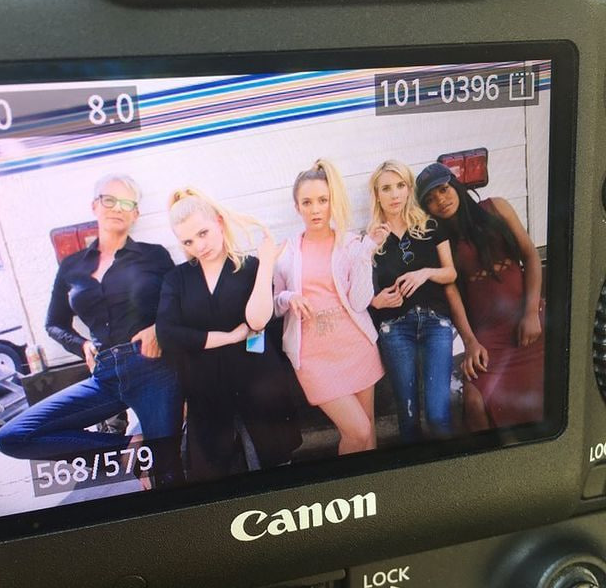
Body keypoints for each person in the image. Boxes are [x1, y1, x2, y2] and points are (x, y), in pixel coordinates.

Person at [0, 175, 184, 488]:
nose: (117, 208)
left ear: (135, 214)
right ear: (95, 206)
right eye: (109, 200)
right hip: (104, 375)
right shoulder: (72, 267)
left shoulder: (154, 255)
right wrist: (82, 345)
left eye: (127, 203)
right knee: (13, 437)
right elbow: (54, 323)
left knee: (166, 475)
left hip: (152, 369)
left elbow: (182, 299)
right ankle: (127, 452)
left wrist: (158, 328)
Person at [156, 188, 301, 482]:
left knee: (273, 469)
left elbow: (258, 321)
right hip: (207, 395)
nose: (199, 246)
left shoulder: (250, 267)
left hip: (258, 385)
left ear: (219, 222)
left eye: (203, 233)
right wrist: (230, 337)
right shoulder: (177, 279)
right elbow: (168, 335)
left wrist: (267, 264)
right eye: (188, 241)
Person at [416, 162, 544, 430]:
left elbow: (531, 256)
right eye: (430, 199)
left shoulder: (496, 207)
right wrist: (470, 342)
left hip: (526, 319)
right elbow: (452, 292)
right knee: (474, 401)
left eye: (443, 189)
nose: (440, 200)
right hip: (487, 334)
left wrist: (531, 312)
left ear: (456, 186)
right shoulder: (439, 240)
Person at [273, 158, 384, 455]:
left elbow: (360, 301)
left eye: (323, 200)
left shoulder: (350, 243)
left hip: (356, 347)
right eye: (307, 202)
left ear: (332, 202)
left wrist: (366, 253)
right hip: (313, 357)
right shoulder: (287, 251)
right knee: (357, 431)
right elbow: (275, 304)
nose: (315, 209)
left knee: (368, 429)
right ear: (297, 207)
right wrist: (289, 298)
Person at [367, 160, 457, 443]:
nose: (395, 194)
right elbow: (361, 292)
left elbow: (451, 272)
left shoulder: (429, 225)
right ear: (377, 195)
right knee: (408, 419)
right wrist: (376, 301)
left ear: (409, 189)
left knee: (438, 415)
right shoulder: (370, 239)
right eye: (386, 188)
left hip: (435, 322)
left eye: (400, 186)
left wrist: (425, 272)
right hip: (395, 328)